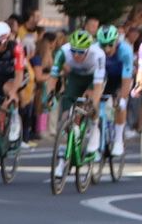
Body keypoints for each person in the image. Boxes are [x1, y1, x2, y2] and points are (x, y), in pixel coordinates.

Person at [45, 29, 107, 175]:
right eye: (74, 51)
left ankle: (94, 133)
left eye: (81, 52)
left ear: (88, 50)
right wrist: (50, 96)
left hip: (93, 79)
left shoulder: (98, 54)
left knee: (91, 104)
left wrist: (93, 103)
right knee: (66, 117)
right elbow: (53, 77)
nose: (76, 55)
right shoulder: (63, 52)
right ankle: (63, 160)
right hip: (75, 77)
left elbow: (98, 86)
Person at [0, 21, 30, 144]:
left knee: (8, 90)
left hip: (18, 74)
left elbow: (19, 74)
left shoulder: (16, 48)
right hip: (1, 74)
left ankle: (14, 117)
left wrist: (11, 96)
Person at [96, 25, 136, 157]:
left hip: (121, 78)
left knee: (120, 104)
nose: (106, 49)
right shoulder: (96, 49)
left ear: (116, 42)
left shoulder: (125, 51)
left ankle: (118, 139)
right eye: (103, 45)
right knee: (95, 102)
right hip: (104, 77)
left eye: (110, 45)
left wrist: (122, 97)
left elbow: (126, 80)